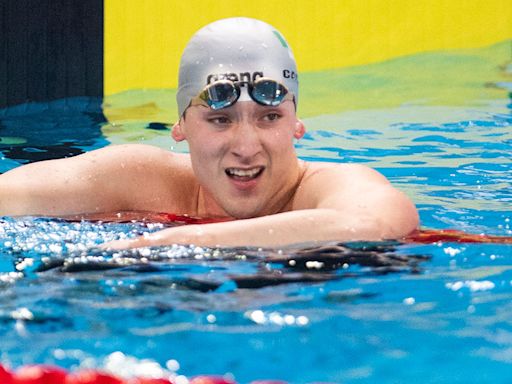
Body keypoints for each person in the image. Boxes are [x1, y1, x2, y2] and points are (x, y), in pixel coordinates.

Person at [0, 17, 418, 249]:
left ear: (296, 124)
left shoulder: (332, 186)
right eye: (220, 120)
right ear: (180, 127)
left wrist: (175, 244)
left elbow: (383, 222)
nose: (246, 146)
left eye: (269, 118)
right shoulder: (137, 177)